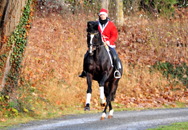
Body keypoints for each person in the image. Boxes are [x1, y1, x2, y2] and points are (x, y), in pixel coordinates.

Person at [79, 8, 121, 78]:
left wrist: (109, 41)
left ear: (106, 16)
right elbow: (91, 29)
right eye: (101, 15)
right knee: (86, 55)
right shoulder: (96, 23)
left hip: (107, 43)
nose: (102, 16)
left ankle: (116, 71)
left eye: (103, 15)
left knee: (115, 56)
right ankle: (84, 71)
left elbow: (114, 35)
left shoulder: (111, 24)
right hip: (97, 44)